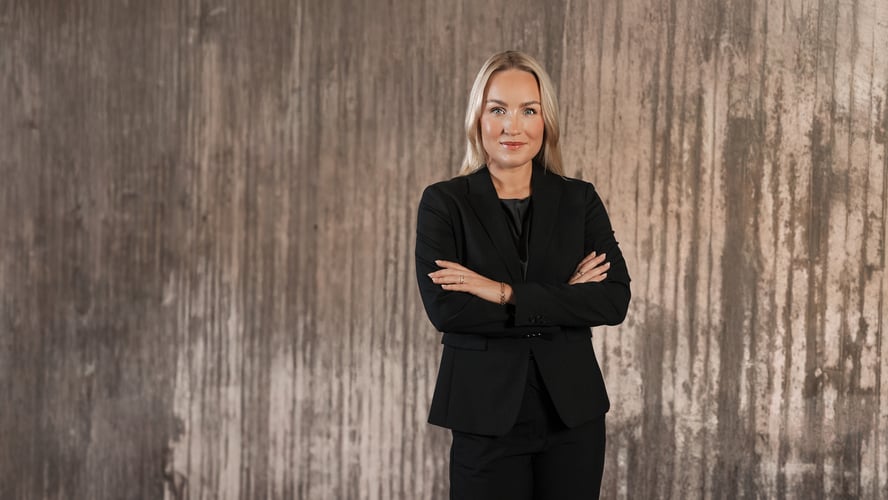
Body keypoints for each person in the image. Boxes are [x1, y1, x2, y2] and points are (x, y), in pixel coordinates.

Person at [414, 50, 631, 499]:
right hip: (484, 414)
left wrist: (501, 291)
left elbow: (612, 300)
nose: (513, 127)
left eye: (528, 110)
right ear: (478, 119)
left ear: (546, 120)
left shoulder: (579, 200)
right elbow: (449, 311)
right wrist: (563, 300)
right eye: (498, 110)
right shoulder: (444, 203)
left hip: (572, 416)